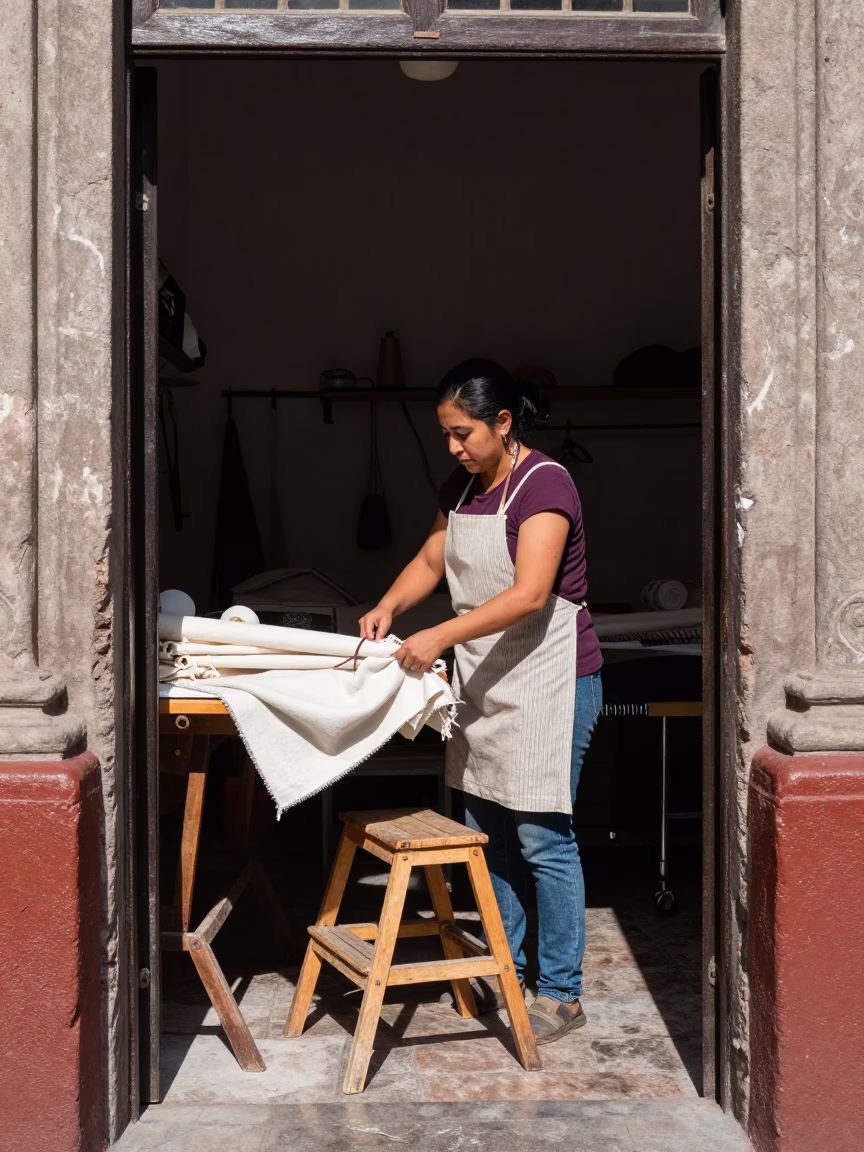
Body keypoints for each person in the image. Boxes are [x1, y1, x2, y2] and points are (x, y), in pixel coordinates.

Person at [359, 358, 603, 1045]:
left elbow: (529, 594)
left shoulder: (545, 484)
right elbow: (432, 560)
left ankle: (560, 991)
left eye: (463, 433)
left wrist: (436, 633)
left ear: (503, 422)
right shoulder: (462, 485)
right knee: (488, 834)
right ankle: (508, 969)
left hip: (551, 681)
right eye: (446, 434)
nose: (454, 447)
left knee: (543, 838)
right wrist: (389, 605)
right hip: (488, 681)